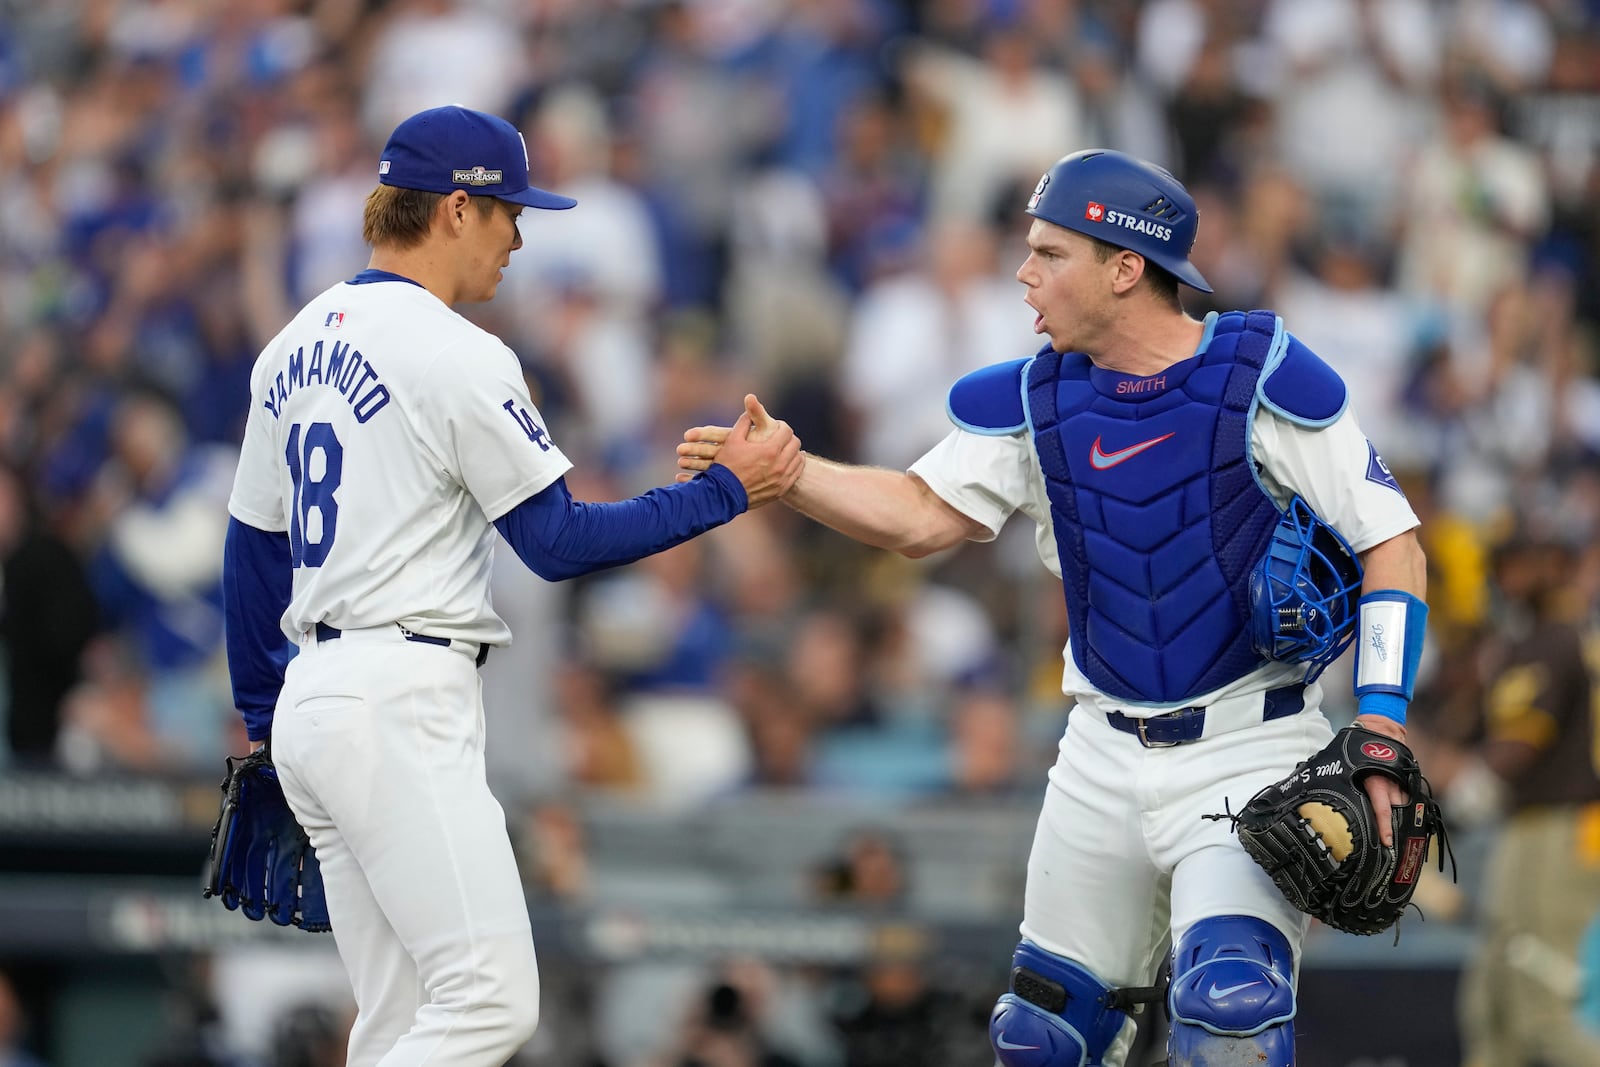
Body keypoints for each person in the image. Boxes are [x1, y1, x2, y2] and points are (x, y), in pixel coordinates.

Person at [679, 149, 1428, 1066]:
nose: (1024, 273)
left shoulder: (1257, 372)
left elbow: (1393, 543)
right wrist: (790, 474)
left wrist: (1382, 724)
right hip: (1100, 754)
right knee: (1042, 1037)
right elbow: (919, 515)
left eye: (1049, 252)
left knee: (1230, 1010)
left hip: (1249, 742)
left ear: (1124, 266)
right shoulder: (1043, 396)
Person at [222, 104, 802, 1066]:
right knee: (489, 1005)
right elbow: (559, 540)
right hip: (399, 696)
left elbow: (251, 552)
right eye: (508, 213)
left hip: (316, 700)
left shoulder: (291, 345)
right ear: (456, 210)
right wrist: (725, 492)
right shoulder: (458, 352)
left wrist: (262, 724)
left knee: (401, 1024)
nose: (519, 235)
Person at [1458, 529, 1600, 1067]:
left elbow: (1519, 743)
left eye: (1524, 563)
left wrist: (1471, 787)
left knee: (1540, 1003)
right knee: (1493, 1002)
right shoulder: (1559, 636)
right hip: (1537, 825)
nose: (1510, 578)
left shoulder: (1553, 638)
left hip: (1561, 826)